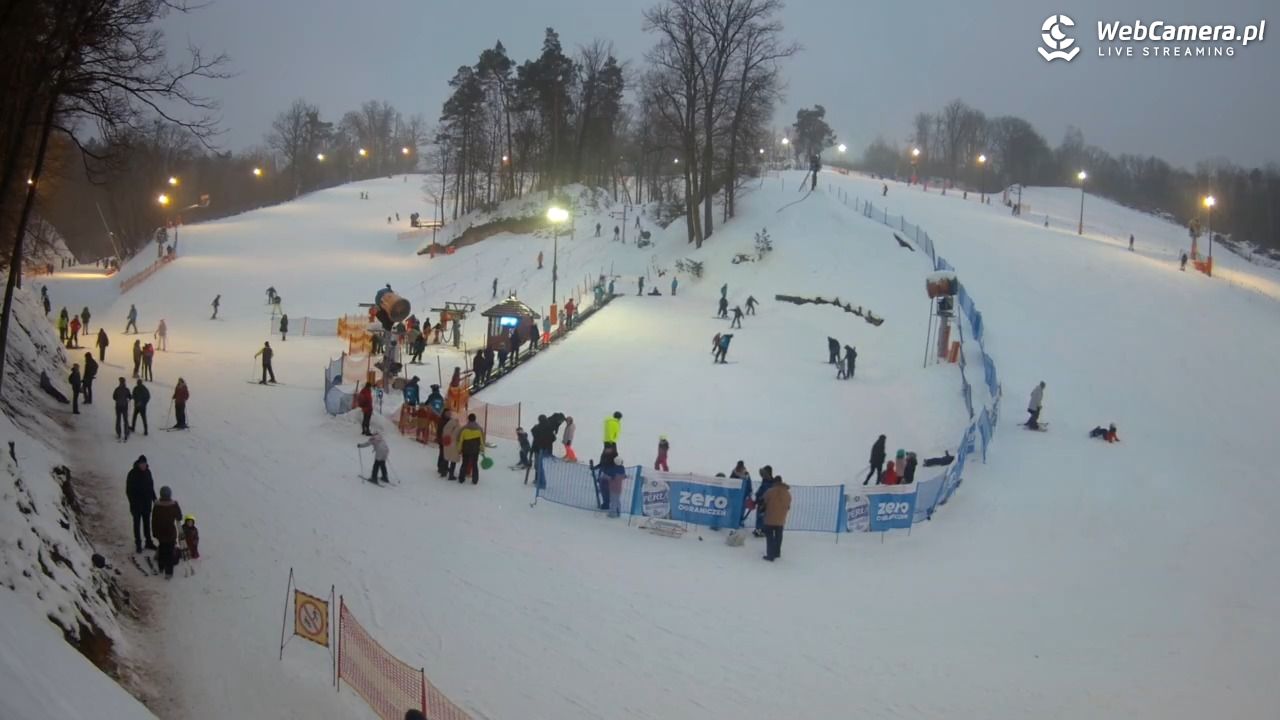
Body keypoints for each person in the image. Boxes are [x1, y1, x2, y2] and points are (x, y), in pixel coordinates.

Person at [125, 456, 156, 553]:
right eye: (141, 464)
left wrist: (154, 499)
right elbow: (128, 490)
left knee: (147, 524)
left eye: (144, 464)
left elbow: (151, 487)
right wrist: (133, 502)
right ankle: (138, 543)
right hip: (136, 505)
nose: (143, 466)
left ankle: (148, 542)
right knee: (137, 524)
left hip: (146, 504)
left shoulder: (148, 472)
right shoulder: (132, 474)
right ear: (138, 464)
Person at [151, 486, 183, 579]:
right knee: (169, 552)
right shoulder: (173, 505)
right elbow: (179, 517)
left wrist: (154, 532)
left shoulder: (157, 506)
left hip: (160, 533)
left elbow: (154, 520)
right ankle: (168, 572)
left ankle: (161, 567)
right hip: (170, 534)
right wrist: (177, 506)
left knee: (162, 549)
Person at [761, 474, 791, 561]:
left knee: (770, 537)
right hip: (781, 519)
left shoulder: (770, 491)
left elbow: (764, 501)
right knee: (779, 537)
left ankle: (770, 555)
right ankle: (777, 552)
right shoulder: (788, 494)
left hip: (769, 518)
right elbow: (788, 506)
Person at [458, 413, 485, 484]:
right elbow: (482, 440)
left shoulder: (464, 429)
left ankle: (461, 478)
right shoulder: (479, 429)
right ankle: (475, 480)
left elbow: (460, 440)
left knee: (464, 463)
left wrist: (459, 449)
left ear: (468, 419)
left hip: (466, 449)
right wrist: (482, 449)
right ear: (475, 419)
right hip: (475, 450)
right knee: (474, 464)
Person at [753, 465, 777, 537]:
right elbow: (762, 490)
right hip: (761, 501)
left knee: (762, 516)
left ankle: (762, 530)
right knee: (760, 516)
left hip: (765, 503)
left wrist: (761, 499)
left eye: (764, 473)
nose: (762, 476)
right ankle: (759, 529)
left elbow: (767, 492)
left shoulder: (770, 483)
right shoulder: (765, 481)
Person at [441, 411, 463, 480]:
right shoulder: (458, 427)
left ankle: (443, 472)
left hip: (447, 443)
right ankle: (451, 475)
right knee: (453, 460)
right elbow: (460, 436)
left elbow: (444, 433)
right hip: (454, 444)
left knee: (446, 458)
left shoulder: (447, 425)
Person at [730, 461, 753, 528]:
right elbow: (730, 483)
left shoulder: (746, 474)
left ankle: (739, 522)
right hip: (736, 494)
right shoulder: (734, 473)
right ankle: (734, 522)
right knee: (735, 508)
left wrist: (750, 492)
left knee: (741, 509)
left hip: (743, 495)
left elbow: (749, 484)